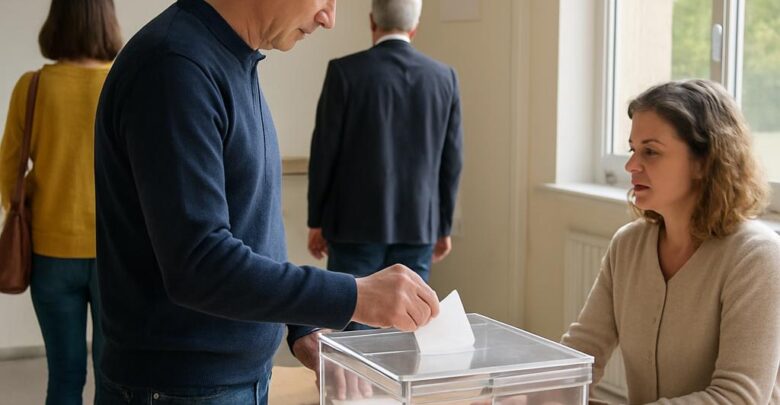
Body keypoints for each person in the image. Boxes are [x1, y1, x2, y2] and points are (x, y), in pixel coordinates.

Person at [93, 0, 440, 404]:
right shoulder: (175, 66)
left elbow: (246, 234)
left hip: (221, 381)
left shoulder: (225, 58)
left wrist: (301, 324)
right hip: (180, 388)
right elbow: (199, 264)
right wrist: (355, 296)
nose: (329, 19)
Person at [561, 79, 780, 403]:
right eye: (633, 149)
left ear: (704, 162)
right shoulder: (628, 245)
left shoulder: (757, 257)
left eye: (650, 151)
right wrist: (525, 396)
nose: (631, 166)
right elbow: (581, 356)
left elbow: (738, 398)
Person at [307, 0, 463, 328]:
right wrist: (443, 225)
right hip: (418, 226)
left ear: (371, 23)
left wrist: (316, 220)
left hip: (353, 227)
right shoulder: (443, 78)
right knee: (409, 327)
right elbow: (451, 162)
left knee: (349, 326)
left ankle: (347, 383)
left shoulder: (344, 72)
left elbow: (324, 152)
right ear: (414, 27)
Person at [0, 1, 122, 404]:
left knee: (65, 373)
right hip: (116, 254)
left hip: (50, 256)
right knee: (115, 374)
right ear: (107, 21)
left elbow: (8, 172)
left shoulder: (32, 86)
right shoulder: (122, 82)